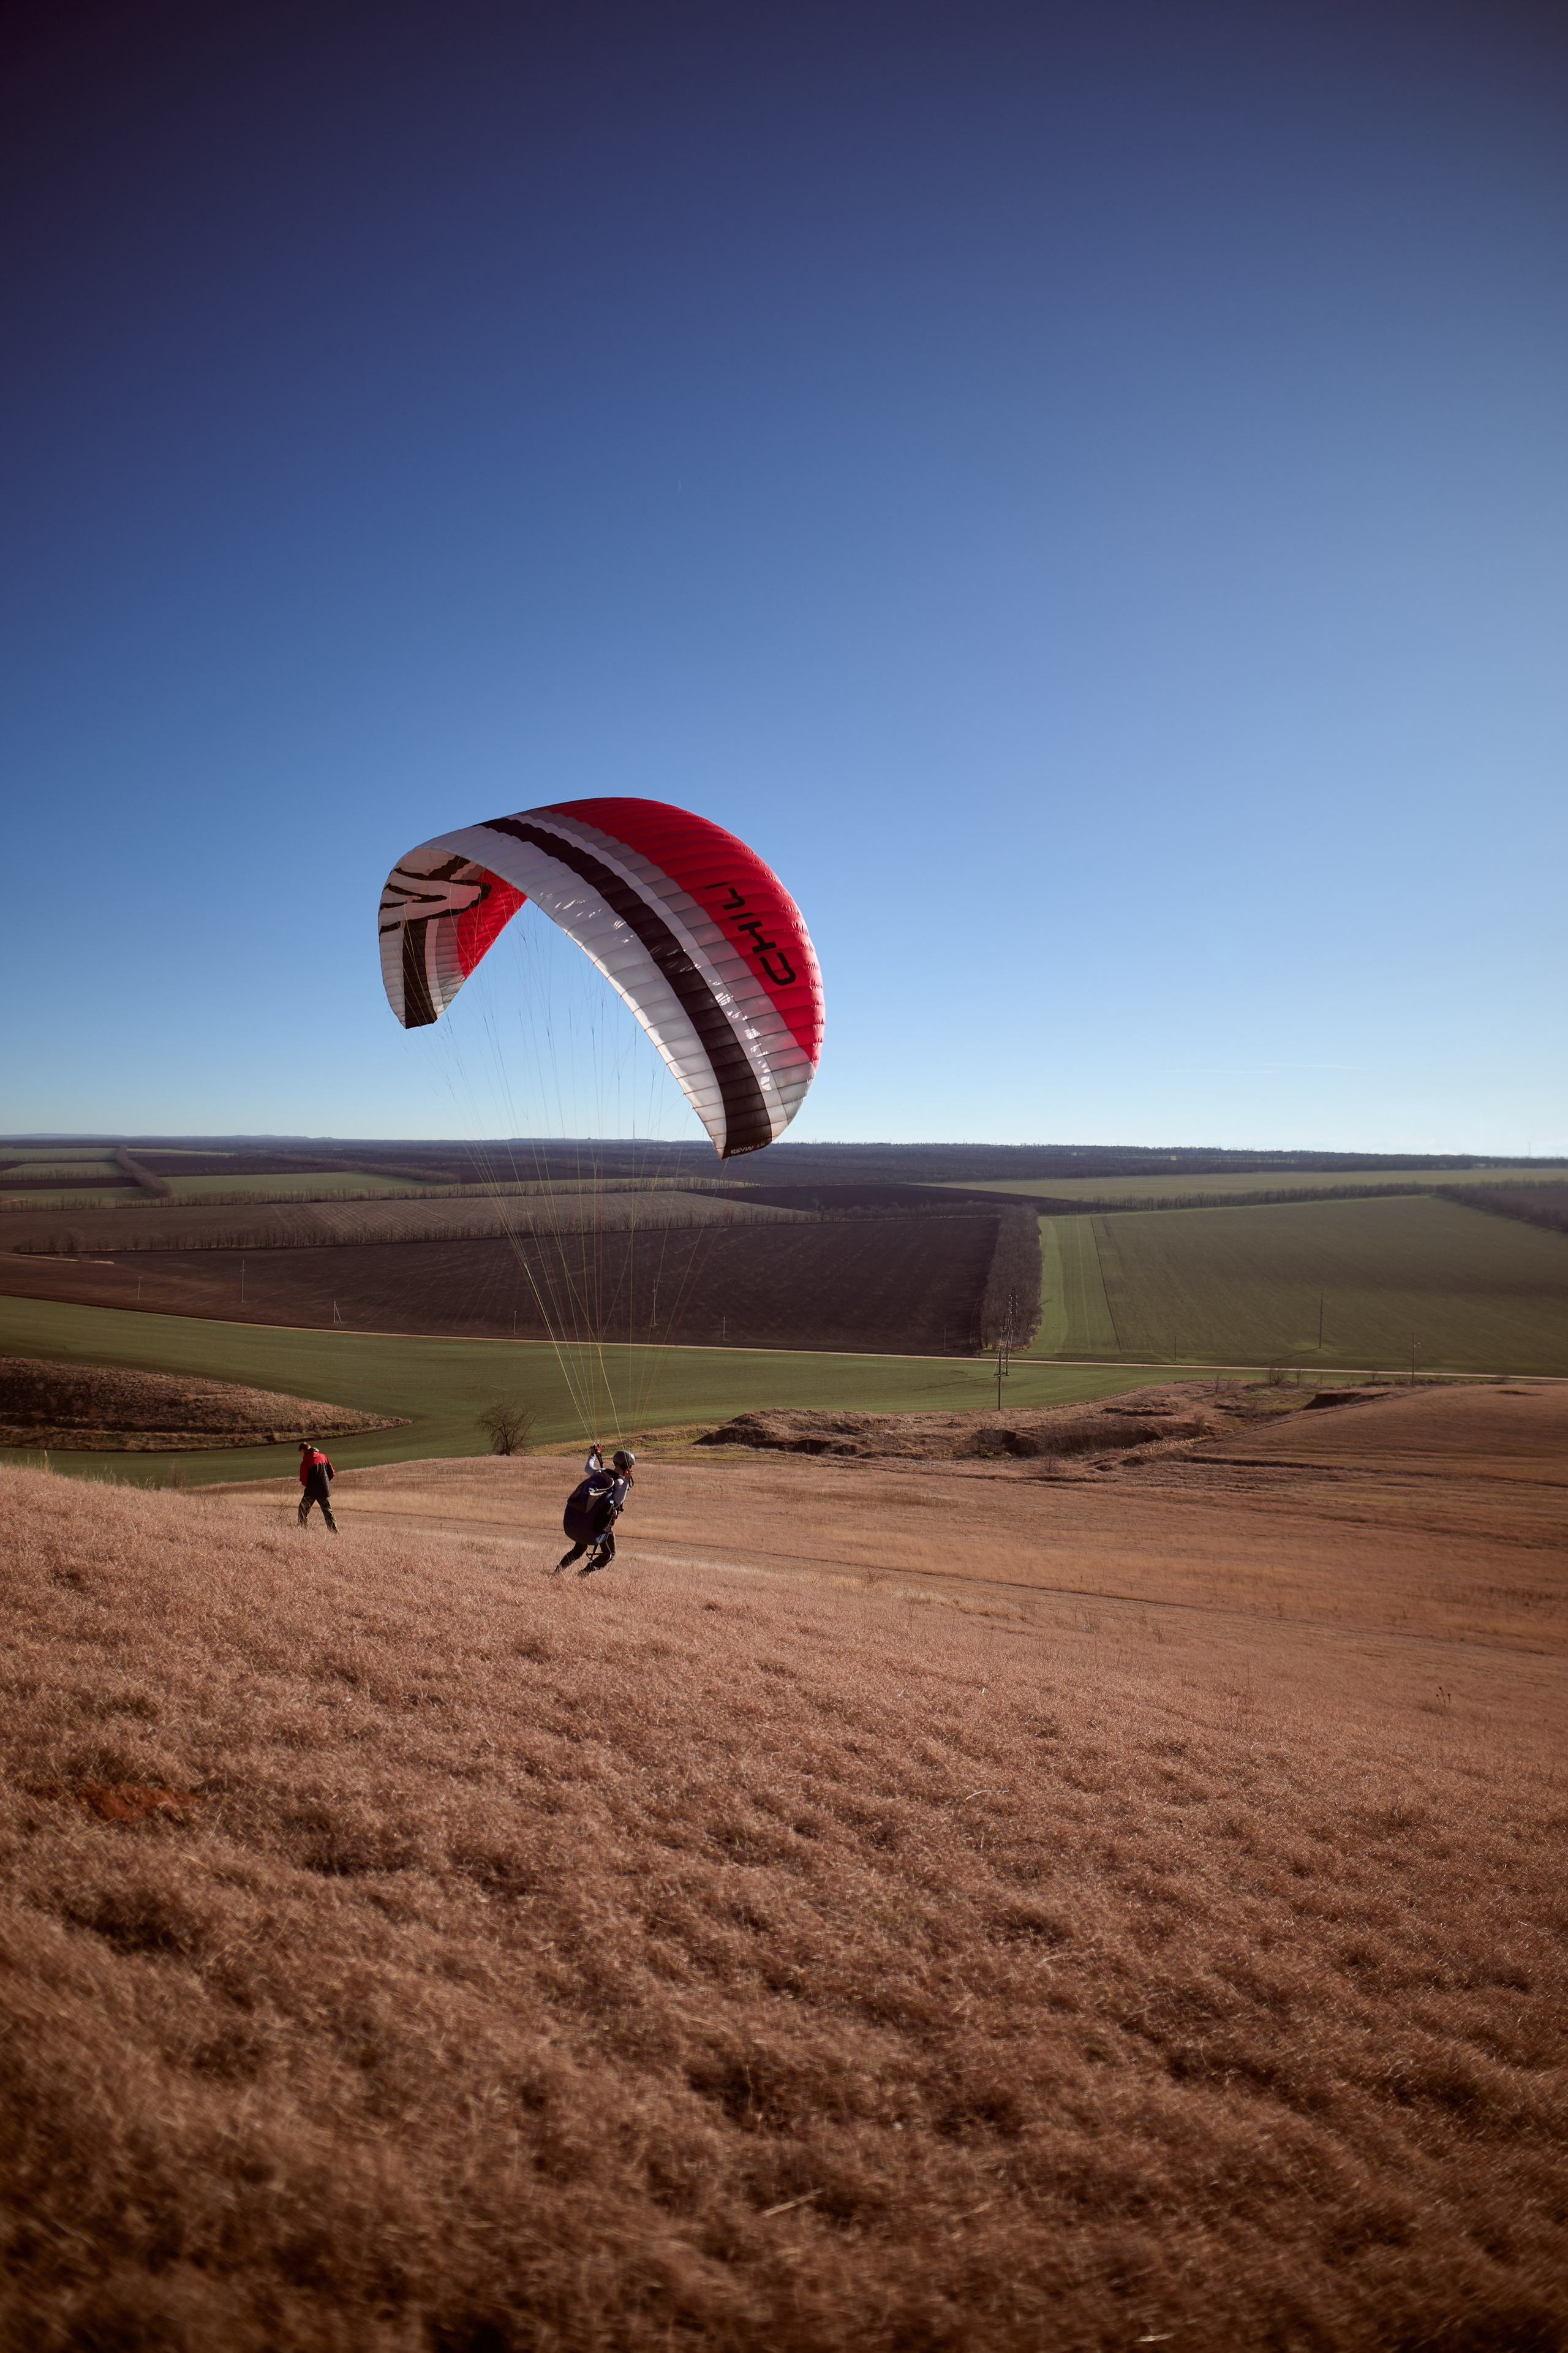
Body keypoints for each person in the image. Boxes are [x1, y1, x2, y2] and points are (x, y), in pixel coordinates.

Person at [554, 1445, 635, 1575]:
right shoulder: (619, 1482)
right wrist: (626, 1480)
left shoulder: (601, 1472)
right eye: (631, 1465)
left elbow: (588, 1468)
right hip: (598, 1526)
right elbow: (619, 1500)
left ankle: (558, 1572)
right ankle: (583, 1574)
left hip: (585, 1520)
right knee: (609, 1553)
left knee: (579, 1549)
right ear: (627, 1465)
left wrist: (593, 1454)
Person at [298, 1439, 337, 1532]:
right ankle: (335, 1532)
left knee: (303, 1510)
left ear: (303, 1451)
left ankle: (303, 1530)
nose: (301, 1455)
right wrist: (325, 1482)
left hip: (311, 1491)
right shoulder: (323, 1457)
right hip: (324, 1489)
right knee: (328, 1511)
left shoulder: (305, 1463)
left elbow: (304, 1481)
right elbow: (332, 1473)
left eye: (301, 1453)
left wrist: (312, 1485)